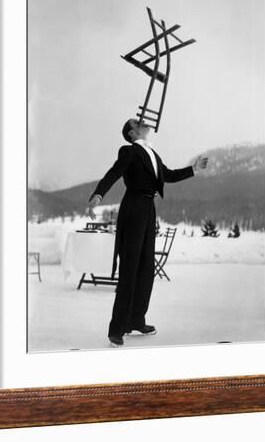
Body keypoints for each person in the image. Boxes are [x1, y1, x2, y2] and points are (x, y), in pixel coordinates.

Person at [88, 118, 208, 347]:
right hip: (133, 208)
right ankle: (117, 329)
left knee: (145, 268)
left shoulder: (153, 154)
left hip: (148, 209)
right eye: (138, 122)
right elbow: (113, 173)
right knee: (130, 267)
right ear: (132, 132)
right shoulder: (129, 151)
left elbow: (169, 175)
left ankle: (136, 320)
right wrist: (98, 194)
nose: (144, 122)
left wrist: (194, 169)